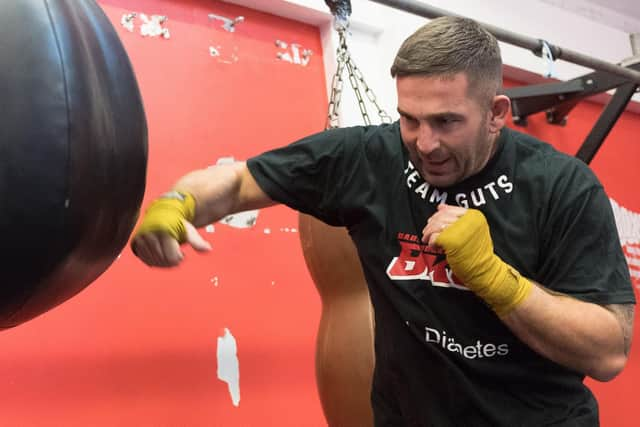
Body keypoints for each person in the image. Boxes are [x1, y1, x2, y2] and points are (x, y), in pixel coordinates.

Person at [131, 16, 635, 426]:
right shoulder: (368, 159)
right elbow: (240, 181)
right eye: (409, 119)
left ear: (497, 112)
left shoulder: (560, 187)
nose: (424, 143)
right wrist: (177, 203)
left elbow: (608, 351)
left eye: (446, 122)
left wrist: (491, 277)